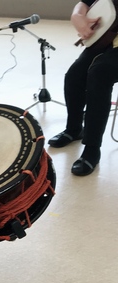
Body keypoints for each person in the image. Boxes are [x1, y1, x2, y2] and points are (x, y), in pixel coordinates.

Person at [48, 0, 118, 176]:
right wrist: (77, 15)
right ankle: (74, 129)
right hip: (107, 37)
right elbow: (84, 3)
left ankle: (92, 148)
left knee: (99, 74)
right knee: (74, 76)